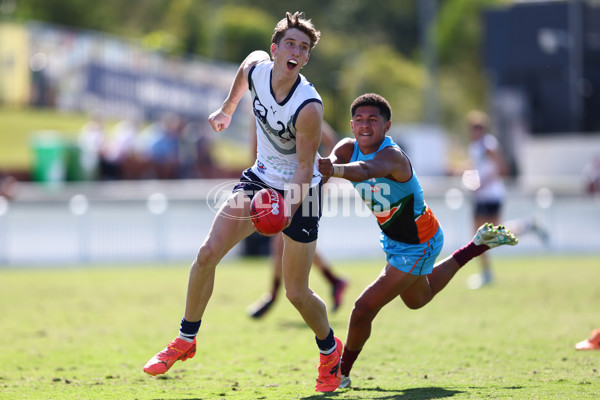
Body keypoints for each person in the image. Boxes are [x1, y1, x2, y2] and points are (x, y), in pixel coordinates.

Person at [143, 12, 344, 392]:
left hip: (302, 192)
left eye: (303, 48)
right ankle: (186, 340)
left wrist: (287, 207)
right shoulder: (256, 68)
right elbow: (244, 71)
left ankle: (330, 350)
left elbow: (305, 168)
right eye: (290, 44)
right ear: (275, 49)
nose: (296, 51)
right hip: (260, 177)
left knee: (296, 293)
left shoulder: (309, 107)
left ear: (305, 59)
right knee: (206, 254)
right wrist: (227, 108)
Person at [317, 93, 519, 388]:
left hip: (419, 240)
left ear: (387, 126)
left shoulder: (392, 156)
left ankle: (340, 373)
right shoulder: (347, 149)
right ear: (351, 124)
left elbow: (365, 171)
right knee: (418, 300)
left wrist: (331, 170)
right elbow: (330, 163)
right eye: (359, 120)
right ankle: (476, 245)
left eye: (373, 119)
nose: (365, 125)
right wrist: (316, 171)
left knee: (362, 308)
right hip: (396, 240)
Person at [246, 120, 348, 318]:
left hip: (305, 186)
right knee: (289, 242)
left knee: (288, 241)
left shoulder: (299, 107)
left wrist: (322, 176)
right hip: (277, 186)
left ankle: (273, 296)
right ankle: (334, 281)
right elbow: (254, 153)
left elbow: (330, 140)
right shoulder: (258, 113)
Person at [462, 110, 546, 289]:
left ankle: (487, 274)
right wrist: (470, 183)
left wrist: (483, 183)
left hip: (491, 197)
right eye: (472, 128)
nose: (474, 131)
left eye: (477, 128)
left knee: (488, 237)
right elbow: (474, 171)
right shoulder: (474, 147)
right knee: (483, 236)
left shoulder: (488, 145)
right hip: (480, 198)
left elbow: (503, 168)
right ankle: (527, 225)